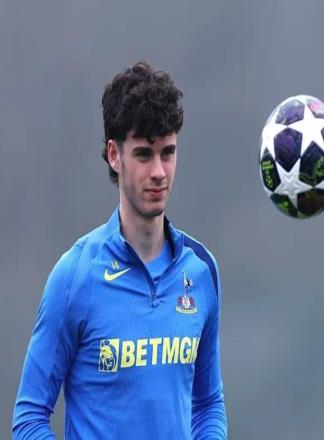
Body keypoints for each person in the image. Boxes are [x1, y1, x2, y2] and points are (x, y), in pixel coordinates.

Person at [12, 62, 228, 439]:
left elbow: (208, 403)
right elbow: (29, 418)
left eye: (168, 153)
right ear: (115, 155)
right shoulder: (75, 276)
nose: (159, 171)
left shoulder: (200, 271)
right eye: (144, 154)